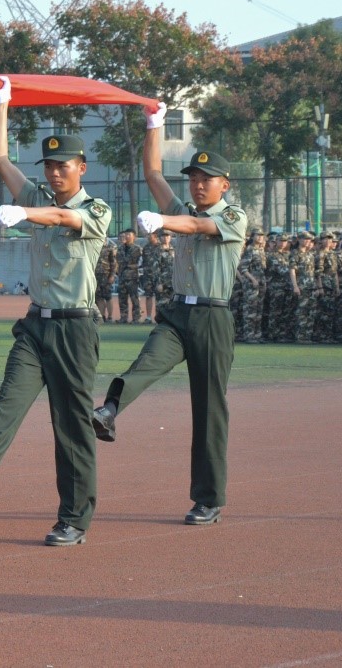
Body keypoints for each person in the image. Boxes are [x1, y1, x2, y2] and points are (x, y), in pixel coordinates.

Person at [0, 78, 110, 546]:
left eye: (62, 166)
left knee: (71, 428)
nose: (54, 174)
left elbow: (65, 218)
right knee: (9, 398)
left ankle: (74, 518)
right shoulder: (35, 198)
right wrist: (2, 103)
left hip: (75, 328)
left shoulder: (96, 209)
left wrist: (27, 215)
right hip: (36, 324)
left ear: (81, 168)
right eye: (48, 166)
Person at [91, 102, 246, 527]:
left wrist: (162, 219)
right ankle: (109, 410)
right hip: (179, 313)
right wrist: (154, 124)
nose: (197, 185)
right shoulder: (180, 211)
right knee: (147, 362)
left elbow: (197, 228)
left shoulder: (233, 216)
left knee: (209, 410)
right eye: (193, 178)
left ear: (224, 184)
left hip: (213, 318)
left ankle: (208, 499)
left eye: (205, 179)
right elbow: (153, 173)